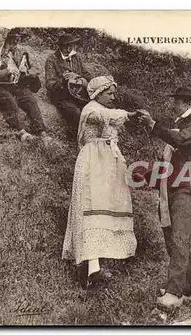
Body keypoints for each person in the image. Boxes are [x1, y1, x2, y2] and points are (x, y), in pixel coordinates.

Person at [62, 76, 138, 289]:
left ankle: (99, 264)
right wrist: (125, 115)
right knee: (91, 206)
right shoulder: (91, 109)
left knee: (106, 207)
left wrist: (129, 115)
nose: (113, 97)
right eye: (109, 93)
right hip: (93, 161)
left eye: (114, 93)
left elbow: (113, 116)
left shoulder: (102, 109)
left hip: (107, 161)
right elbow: (101, 117)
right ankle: (91, 268)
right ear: (97, 93)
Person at [136, 87, 191, 309]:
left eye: (176, 101)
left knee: (178, 239)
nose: (173, 104)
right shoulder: (184, 124)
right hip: (172, 189)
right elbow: (172, 160)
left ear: (187, 103)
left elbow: (180, 140)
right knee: (172, 240)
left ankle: (174, 292)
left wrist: (153, 125)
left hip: (186, 190)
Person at [0, 28, 52, 144]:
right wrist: (6, 72)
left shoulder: (20, 54)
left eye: (17, 40)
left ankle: (42, 133)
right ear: (6, 40)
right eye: (12, 40)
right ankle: (22, 133)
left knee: (30, 100)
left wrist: (29, 74)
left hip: (15, 86)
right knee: (10, 103)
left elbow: (24, 73)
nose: (15, 43)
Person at [45, 32, 93, 129]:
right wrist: (63, 80)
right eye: (67, 46)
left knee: (92, 110)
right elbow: (50, 84)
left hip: (79, 94)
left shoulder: (76, 57)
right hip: (62, 96)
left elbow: (88, 75)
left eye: (72, 45)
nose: (70, 49)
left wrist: (77, 77)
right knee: (76, 113)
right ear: (63, 47)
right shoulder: (52, 60)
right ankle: (80, 138)